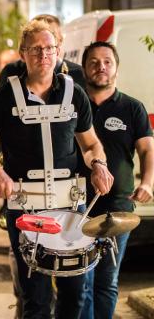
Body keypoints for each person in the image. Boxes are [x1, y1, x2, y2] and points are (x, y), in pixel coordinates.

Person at [0, 19, 114, 319]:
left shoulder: (75, 93)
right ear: (23, 54)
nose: (44, 55)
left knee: (75, 294)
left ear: (58, 51)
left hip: (71, 204)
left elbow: (90, 145)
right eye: (36, 49)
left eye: (49, 48)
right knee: (36, 297)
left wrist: (98, 164)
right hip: (25, 208)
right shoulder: (6, 96)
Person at [80, 41, 154, 319]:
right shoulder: (74, 104)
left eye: (107, 62)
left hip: (119, 208)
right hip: (78, 208)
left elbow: (148, 150)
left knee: (107, 281)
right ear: (85, 68)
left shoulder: (133, 108)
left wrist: (147, 182)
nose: (101, 67)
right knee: (80, 282)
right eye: (94, 62)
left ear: (116, 69)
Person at [0, 14, 85, 89]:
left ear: (60, 39)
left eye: (51, 33)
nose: (45, 37)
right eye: (38, 32)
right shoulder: (11, 71)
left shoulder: (76, 73)